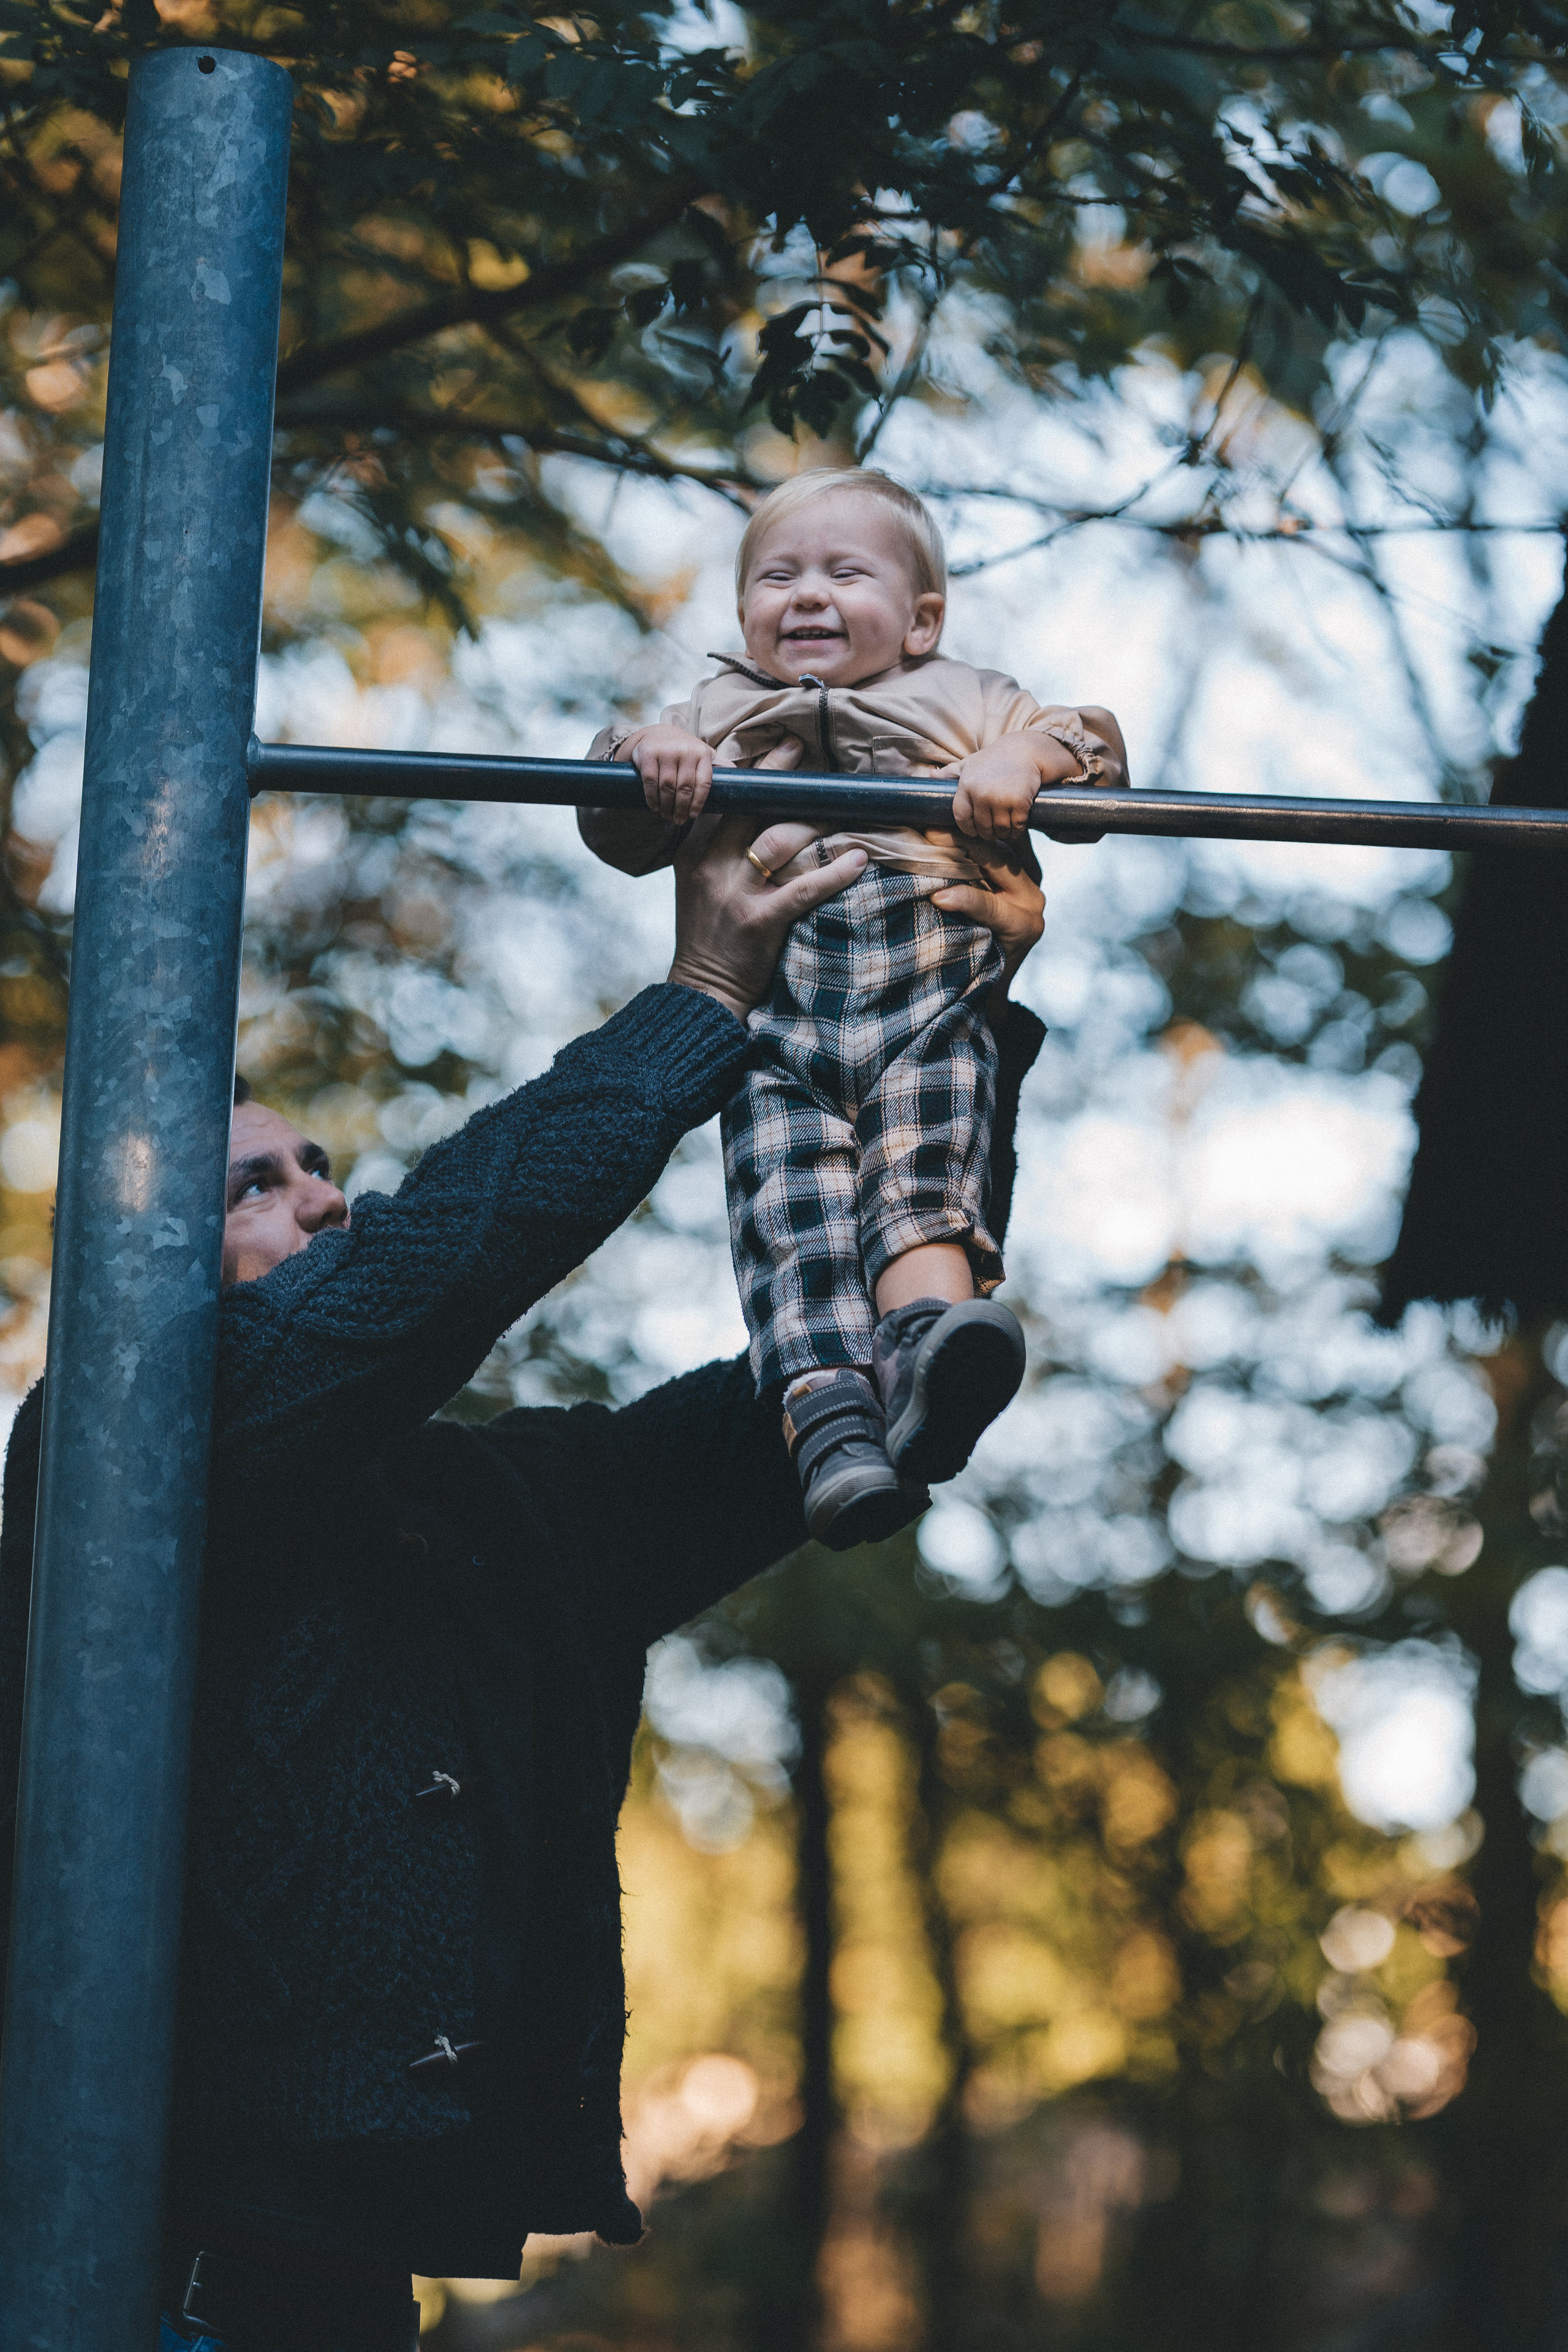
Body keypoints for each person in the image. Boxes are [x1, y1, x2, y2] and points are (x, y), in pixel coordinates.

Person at [0, 814, 1046, 2352]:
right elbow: (435, 1264)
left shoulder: (483, 1509)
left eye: (323, 1167)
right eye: (256, 1186)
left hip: (340, 2293)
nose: (325, 1199)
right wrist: (700, 993)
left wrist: (946, 1006)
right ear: (140, 1260)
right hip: (109, 2273)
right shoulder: (120, 1438)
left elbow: (862, 1388)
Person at [580, 468, 1126, 1550]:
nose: (808, 596)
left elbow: (1094, 745)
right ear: (744, 617)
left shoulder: (970, 699)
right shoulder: (715, 714)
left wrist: (1022, 757)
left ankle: (930, 1352)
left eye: (845, 573)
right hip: (775, 1024)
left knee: (923, 1179)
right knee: (791, 1216)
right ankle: (827, 1429)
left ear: (924, 621)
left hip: (924, 996)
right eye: (777, 577)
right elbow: (615, 830)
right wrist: (648, 762)